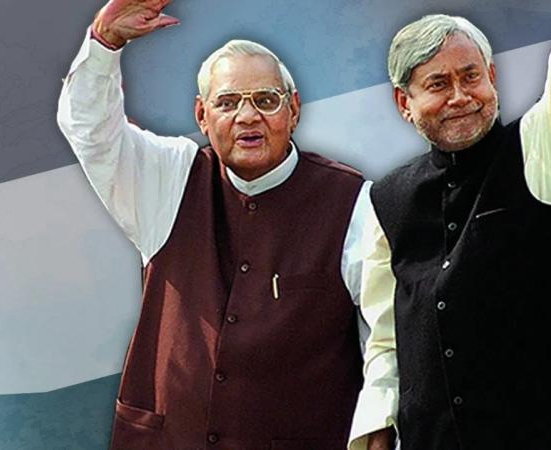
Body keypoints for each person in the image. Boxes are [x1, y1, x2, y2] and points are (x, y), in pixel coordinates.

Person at [57, 0, 373, 448]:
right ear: (202, 116)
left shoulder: (350, 199)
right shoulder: (169, 178)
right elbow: (90, 132)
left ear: (294, 109)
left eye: (265, 100)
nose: (247, 116)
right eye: (227, 103)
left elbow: (382, 338)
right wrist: (104, 44)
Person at [349, 1, 551, 449]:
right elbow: (387, 343)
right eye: (438, 84)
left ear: (492, 77)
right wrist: (377, 429)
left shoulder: (543, 150)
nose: (460, 96)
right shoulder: (387, 201)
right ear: (404, 102)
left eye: (470, 76)